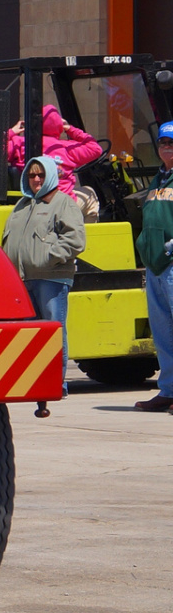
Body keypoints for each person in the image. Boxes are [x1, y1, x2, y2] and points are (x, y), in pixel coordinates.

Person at [1, 155, 85, 418]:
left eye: (40, 175)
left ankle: (54, 384)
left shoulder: (63, 203)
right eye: (31, 175)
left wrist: (48, 256)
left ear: (49, 175)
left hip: (51, 278)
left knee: (53, 331)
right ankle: (33, 383)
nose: (36, 180)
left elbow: (75, 239)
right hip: (23, 280)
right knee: (30, 335)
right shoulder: (22, 206)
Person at [133, 122, 173, 413]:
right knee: (162, 334)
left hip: (171, 262)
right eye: (163, 143)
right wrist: (144, 244)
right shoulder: (158, 180)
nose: (167, 148)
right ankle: (169, 390)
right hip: (155, 266)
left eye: (172, 143)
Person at [5, 104, 103, 204]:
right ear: (59, 126)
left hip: (29, 200)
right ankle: (82, 220)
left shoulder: (20, 144)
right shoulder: (67, 148)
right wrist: (69, 129)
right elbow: (96, 149)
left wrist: (11, 132)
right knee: (90, 194)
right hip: (62, 203)